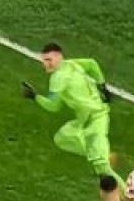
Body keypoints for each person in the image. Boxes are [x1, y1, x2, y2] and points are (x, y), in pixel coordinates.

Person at [20, 43, 122, 190]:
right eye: (44, 60)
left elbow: (53, 106)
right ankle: (101, 155)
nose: (45, 64)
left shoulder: (58, 78)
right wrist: (102, 86)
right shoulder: (72, 64)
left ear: (59, 57)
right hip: (87, 117)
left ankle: (131, 198)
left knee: (103, 169)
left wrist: (34, 96)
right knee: (62, 138)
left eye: (49, 60)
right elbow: (92, 64)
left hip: (94, 119)